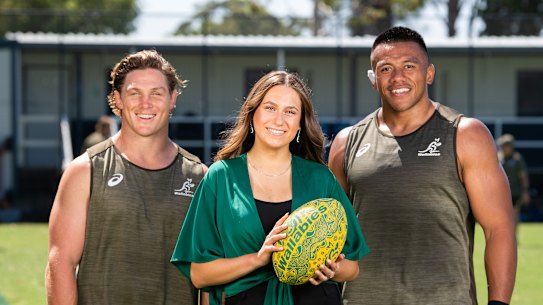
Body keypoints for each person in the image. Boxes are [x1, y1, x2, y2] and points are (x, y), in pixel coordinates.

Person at [328, 26, 517, 305]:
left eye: (409, 66)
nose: (398, 77)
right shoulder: (346, 143)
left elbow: (498, 229)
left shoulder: (466, 135)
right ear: (373, 79)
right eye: (385, 69)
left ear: (429, 73)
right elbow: (329, 234)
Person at [171, 70, 369, 305]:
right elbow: (200, 275)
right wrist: (258, 258)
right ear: (253, 113)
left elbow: (352, 268)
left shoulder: (320, 179)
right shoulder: (221, 177)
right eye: (270, 108)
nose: (279, 120)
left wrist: (332, 269)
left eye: (290, 112)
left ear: (299, 124)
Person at [45, 49, 207, 305]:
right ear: (117, 99)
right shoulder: (84, 171)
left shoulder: (200, 177)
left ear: (172, 98)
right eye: (135, 93)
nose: (146, 104)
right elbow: (60, 261)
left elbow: (207, 274)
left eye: (156, 93)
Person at [497, 133, 531, 232]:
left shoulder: (517, 159)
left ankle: (513, 236)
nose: (504, 148)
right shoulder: (498, 158)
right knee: (501, 215)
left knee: (514, 214)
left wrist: (525, 191)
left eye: (506, 145)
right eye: (503, 145)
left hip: (514, 192)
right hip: (500, 193)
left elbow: (523, 176)